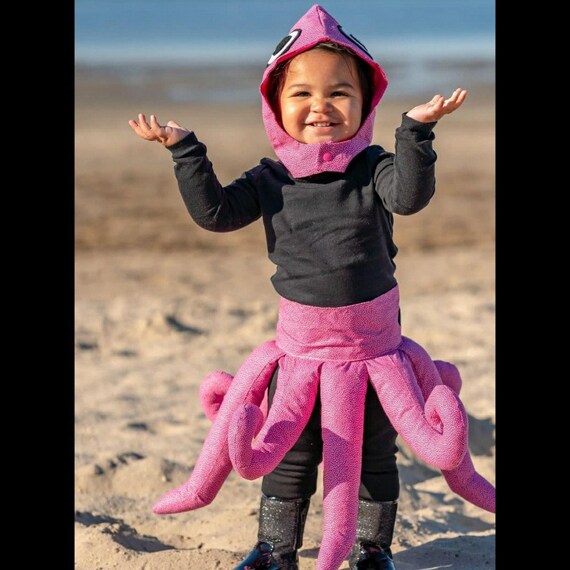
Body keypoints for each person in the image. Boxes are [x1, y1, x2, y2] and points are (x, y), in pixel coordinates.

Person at [129, 5, 471, 570]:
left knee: (375, 455)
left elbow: (410, 198)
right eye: (301, 94)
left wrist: (415, 133)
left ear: (364, 105)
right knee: (288, 450)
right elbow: (215, 214)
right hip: (300, 352)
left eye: (340, 93)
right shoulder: (270, 179)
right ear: (274, 105)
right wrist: (185, 150)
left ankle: (371, 550)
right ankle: (274, 549)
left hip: (375, 352)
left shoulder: (375, 168)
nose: (321, 106)